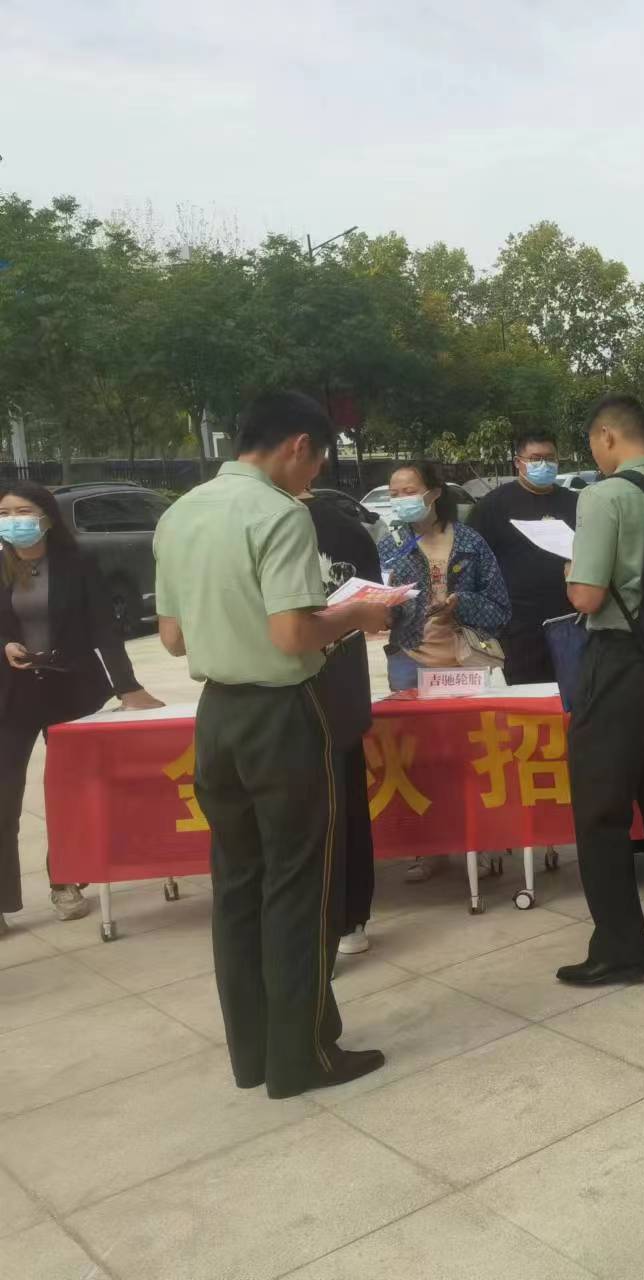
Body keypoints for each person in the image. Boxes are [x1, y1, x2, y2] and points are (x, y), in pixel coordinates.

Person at [153, 390, 391, 1098]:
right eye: (316, 462)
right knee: (299, 886)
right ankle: (303, 1057)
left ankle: (254, 1053)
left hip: (218, 717)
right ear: (298, 446)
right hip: (284, 715)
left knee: (237, 884)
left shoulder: (180, 513)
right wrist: (356, 614)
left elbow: (172, 637)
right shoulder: (280, 514)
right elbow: (293, 634)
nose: (312, 478)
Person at [556, 394, 644, 986]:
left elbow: (588, 596)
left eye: (593, 443)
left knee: (601, 810)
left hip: (619, 662)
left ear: (608, 437)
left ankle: (618, 949)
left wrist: (570, 572)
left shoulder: (605, 495)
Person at [1, 483, 164, 929]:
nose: (12, 521)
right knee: (3, 798)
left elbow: (104, 631)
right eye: (4, 513)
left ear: (46, 517)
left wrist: (128, 687)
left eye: (22, 511)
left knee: (69, 794)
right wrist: (5, 646)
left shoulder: (78, 564)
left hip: (70, 690)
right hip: (11, 695)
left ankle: (66, 881)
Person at [377, 460, 511, 882]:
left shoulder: (470, 542)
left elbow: (500, 607)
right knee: (419, 759)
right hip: (409, 661)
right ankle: (429, 847)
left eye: (409, 491)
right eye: (394, 493)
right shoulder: (390, 545)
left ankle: (481, 843)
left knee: (472, 756)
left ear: (434, 493)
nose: (401, 500)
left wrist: (460, 605)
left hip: (462, 663)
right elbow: (375, 605)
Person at [298, 487, 383, 955]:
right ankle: (350, 920)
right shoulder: (351, 527)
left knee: (310, 813)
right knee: (346, 805)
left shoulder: (258, 524)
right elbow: (379, 614)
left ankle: (324, 924)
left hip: (297, 689)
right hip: (341, 689)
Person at [465, 430, 577, 688]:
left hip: (570, 619)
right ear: (518, 462)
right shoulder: (493, 506)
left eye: (550, 458)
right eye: (535, 458)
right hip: (518, 626)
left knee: (574, 694)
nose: (544, 464)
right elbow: (473, 563)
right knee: (528, 695)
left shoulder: (575, 503)